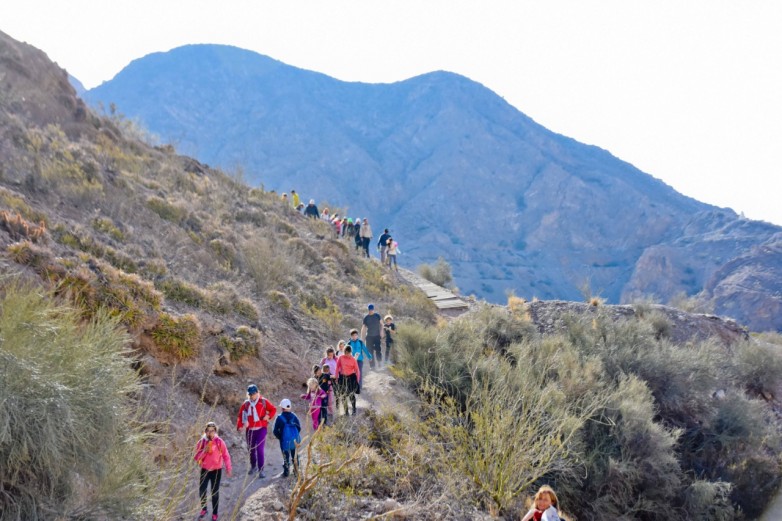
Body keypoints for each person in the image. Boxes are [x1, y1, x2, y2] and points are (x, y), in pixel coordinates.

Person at [236, 384, 277, 479]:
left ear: (257, 392)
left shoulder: (263, 401)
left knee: (259, 449)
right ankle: (253, 466)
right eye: (250, 394)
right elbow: (241, 415)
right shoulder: (246, 404)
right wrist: (240, 426)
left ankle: (261, 470)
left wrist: (268, 416)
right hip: (250, 430)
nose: (252, 396)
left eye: (254, 393)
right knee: (251, 449)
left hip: (261, 429)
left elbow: (273, 409)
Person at [194, 421, 232, 521]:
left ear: (215, 431)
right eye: (208, 431)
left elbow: (226, 456)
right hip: (205, 470)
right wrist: (204, 451)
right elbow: (197, 457)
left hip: (216, 470)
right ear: (205, 431)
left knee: (214, 492)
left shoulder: (219, 442)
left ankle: (215, 513)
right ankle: (204, 509)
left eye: (212, 431)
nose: (210, 433)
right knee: (202, 490)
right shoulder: (201, 442)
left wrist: (228, 468)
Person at [272, 399, 301, 478]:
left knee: (286, 457)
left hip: (284, 441)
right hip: (295, 441)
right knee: (295, 456)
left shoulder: (279, 418)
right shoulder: (294, 416)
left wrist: (281, 437)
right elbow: (299, 428)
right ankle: (296, 471)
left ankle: (286, 472)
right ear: (290, 407)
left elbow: (274, 431)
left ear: (282, 408)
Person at [335, 345, 360, 416]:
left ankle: (354, 410)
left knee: (351, 395)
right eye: (345, 353)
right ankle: (346, 411)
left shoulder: (353, 359)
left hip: (351, 378)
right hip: (343, 377)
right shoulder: (341, 358)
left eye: (348, 353)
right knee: (343, 395)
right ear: (344, 352)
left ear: (350, 352)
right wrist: (336, 377)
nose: (347, 355)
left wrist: (357, 381)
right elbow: (337, 367)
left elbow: (357, 370)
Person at [361, 304, 384, 368]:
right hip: (369, 336)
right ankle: (372, 366)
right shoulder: (366, 318)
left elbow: (382, 324)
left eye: (372, 309)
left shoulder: (377, 316)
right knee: (370, 351)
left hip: (377, 335)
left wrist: (381, 331)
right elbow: (363, 328)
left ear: (373, 309)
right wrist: (362, 339)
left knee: (378, 350)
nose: (371, 311)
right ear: (368, 310)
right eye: (369, 310)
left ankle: (379, 362)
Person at [321, 348, 339, 416]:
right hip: (325, 379)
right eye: (329, 355)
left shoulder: (336, 359)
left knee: (336, 394)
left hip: (334, 378)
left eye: (332, 355)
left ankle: (336, 409)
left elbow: (339, 368)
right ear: (327, 354)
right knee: (328, 394)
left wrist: (337, 377)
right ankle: (329, 410)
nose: (330, 356)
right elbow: (320, 368)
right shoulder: (324, 360)